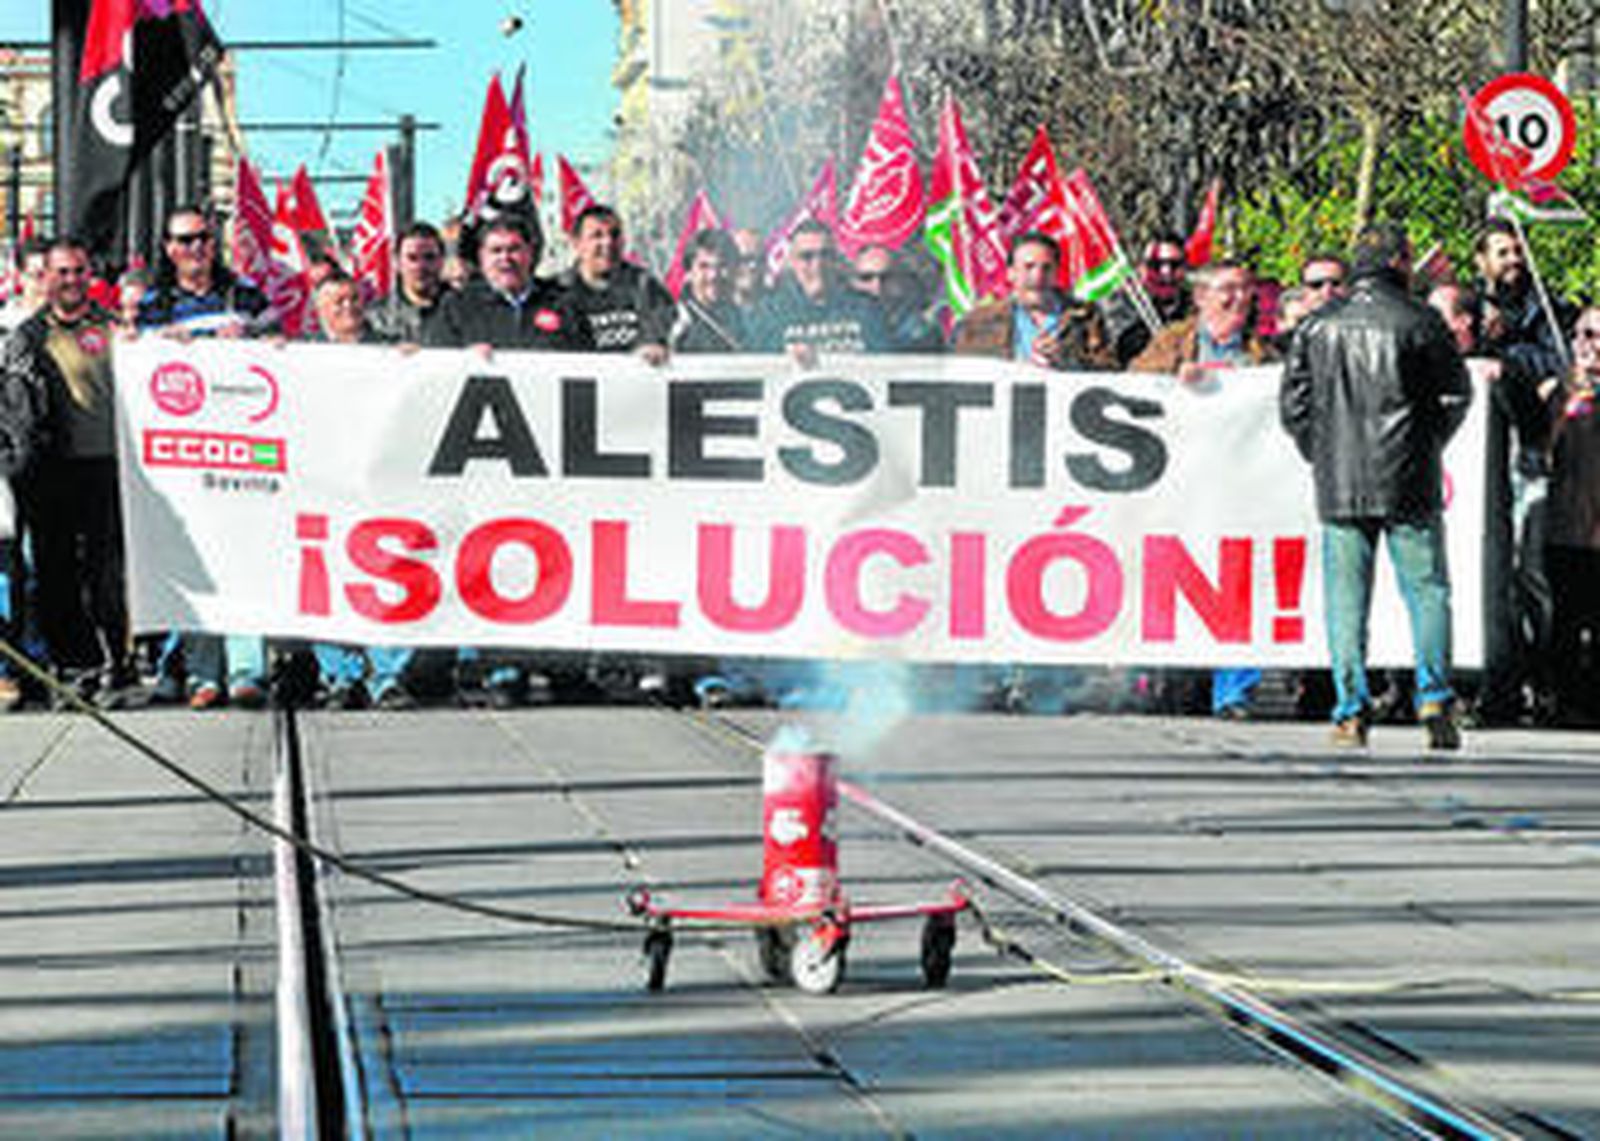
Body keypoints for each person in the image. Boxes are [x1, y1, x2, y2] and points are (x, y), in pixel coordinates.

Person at [1281, 222, 1472, 749]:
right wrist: (1428, 444)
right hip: (1410, 476)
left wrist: (1321, 454)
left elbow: (1294, 406)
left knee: (1345, 601)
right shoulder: (1422, 320)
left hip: (1341, 479)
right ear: (1401, 262)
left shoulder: (1318, 327)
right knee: (1428, 591)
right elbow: (1456, 396)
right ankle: (1433, 697)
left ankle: (1350, 710)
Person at [426, 214, 591, 706]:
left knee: (556, 561)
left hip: (552, 463)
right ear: (480, 259)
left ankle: (561, 662)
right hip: (485, 462)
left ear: (532, 254)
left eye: (514, 249)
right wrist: (461, 361)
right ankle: (501, 664)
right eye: (495, 250)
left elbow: (596, 372)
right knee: (495, 560)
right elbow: (429, 374)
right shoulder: (458, 308)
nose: (505, 258)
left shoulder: (562, 305)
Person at [136, 206, 276, 708]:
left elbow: (281, 352)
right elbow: (137, 364)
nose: (195, 248)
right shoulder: (155, 305)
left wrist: (261, 342)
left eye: (202, 239)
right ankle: (201, 673)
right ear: (169, 249)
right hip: (187, 454)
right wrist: (162, 347)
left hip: (244, 446)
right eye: (184, 240)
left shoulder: (246, 296)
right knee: (195, 559)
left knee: (244, 556)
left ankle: (246, 669)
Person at [1, 236, 139, 707]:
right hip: (49, 470)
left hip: (107, 466)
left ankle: (117, 667)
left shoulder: (114, 328)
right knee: (55, 573)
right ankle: (74, 666)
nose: (71, 280)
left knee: (106, 573)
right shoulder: (27, 335)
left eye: (79, 271)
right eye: (62, 272)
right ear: (47, 277)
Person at [1470, 217, 1571, 725]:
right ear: (1482, 261)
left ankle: (1540, 673)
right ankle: (1492, 678)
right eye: (1502, 253)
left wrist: (1510, 354)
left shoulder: (1545, 311)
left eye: (1517, 252)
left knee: (1528, 572)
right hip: (1476, 464)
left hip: (1526, 457)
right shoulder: (1471, 307)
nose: (1512, 261)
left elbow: (1558, 365)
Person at [304, 274, 421, 709]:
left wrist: (417, 363)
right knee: (326, 580)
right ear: (319, 312)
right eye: (337, 302)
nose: (348, 308)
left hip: (380, 482)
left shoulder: (392, 349)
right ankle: (340, 674)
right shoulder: (302, 357)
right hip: (324, 484)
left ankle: (386, 675)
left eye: (354, 299)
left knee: (388, 577)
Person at [1540, 306, 1600, 725]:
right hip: (1568, 525)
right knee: (1565, 616)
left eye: (1596, 335)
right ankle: (1563, 698)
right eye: (1582, 334)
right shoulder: (1558, 392)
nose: (1587, 344)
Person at [953, 231, 1115, 368]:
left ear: (1057, 273)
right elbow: (963, 375)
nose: (1037, 276)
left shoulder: (1086, 317)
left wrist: (1066, 361)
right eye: (1028, 267)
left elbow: (1109, 373)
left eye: (1046, 268)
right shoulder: (980, 322)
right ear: (1011, 273)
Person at [752, 218, 889, 360]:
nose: (818, 265)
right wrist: (786, 360)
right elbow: (754, 368)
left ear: (836, 260)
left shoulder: (866, 309)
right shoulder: (770, 313)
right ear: (792, 263)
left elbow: (888, 365)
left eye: (825, 255)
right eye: (807, 256)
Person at [557, 204, 675, 362]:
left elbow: (662, 331)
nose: (608, 243)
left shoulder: (645, 286)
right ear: (576, 243)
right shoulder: (557, 291)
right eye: (597, 236)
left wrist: (654, 346)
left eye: (614, 235)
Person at [1105, 233, 1192, 363]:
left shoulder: (1197, 306)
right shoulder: (1122, 305)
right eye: (1156, 265)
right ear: (1141, 269)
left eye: (1174, 265)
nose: (1166, 272)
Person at [852, 244, 944, 353]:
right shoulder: (839, 314)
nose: (877, 284)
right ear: (854, 281)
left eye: (885, 277)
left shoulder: (918, 321)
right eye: (866, 277)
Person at [369, 222, 448, 344]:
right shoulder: (376, 318)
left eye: (429, 257)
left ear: (442, 261)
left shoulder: (465, 310)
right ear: (397, 263)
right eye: (412, 258)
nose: (420, 266)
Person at [671, 229, 747, 353]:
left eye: (722, 265)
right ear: (689, 273)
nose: (713, 275)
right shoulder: (674, 324)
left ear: (735, 270)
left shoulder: (748, 320)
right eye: (704, 267)